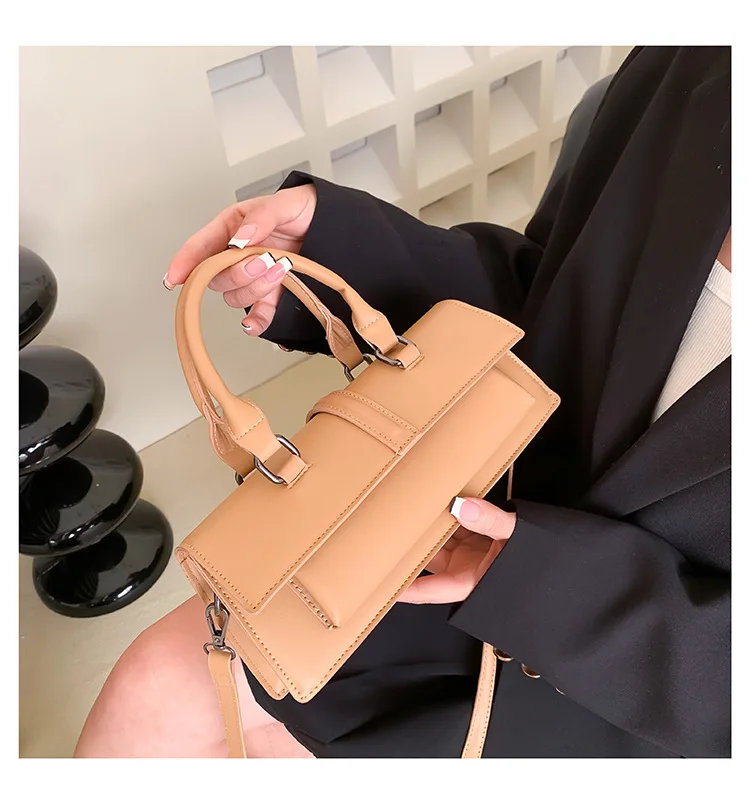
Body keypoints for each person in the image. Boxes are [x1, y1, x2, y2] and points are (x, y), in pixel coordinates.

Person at [75, 45, 730, 759]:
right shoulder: (700, 60)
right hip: (448, 513)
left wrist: (547, 587)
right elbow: (551, 294)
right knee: (151, 691)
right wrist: (338, 252)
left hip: (638, 695)